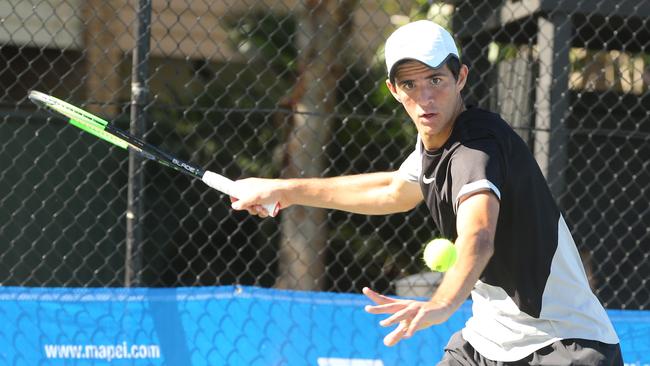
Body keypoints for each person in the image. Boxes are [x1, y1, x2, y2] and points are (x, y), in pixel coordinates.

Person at [230, 20, 622, 365]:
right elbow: (391, 190)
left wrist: (440, 304)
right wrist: (283, 189)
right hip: (489, 342)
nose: (425, 99)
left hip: (563, 346)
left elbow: (478, 236)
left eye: (436, 80)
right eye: (410, 85)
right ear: (394, 90)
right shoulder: (433, 146)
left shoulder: (474, 148)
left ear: (461, 78)